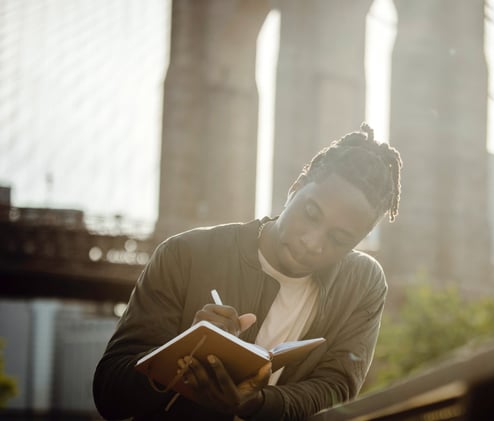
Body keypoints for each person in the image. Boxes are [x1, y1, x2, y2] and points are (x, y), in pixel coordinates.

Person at [93, 123, 402, 420]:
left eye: (339, 240)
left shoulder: (363, 284)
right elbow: (110, 393)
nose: (312, 242)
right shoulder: (185, 254)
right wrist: (183, 353)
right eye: (311, 214)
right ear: (295, 189)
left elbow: (336, 389)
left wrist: (255, 403)